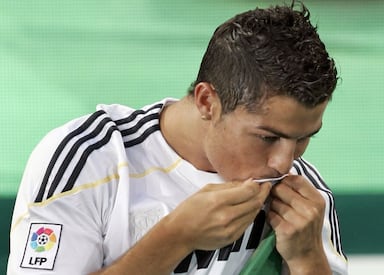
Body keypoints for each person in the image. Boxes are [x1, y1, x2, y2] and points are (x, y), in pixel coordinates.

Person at [8, 2, 348, 275]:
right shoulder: (87, 159)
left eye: (304, 138)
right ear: (207, 102)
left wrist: (307, 260)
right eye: (267, 137)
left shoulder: (307, 196)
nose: (284, 163)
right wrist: (175, 238)